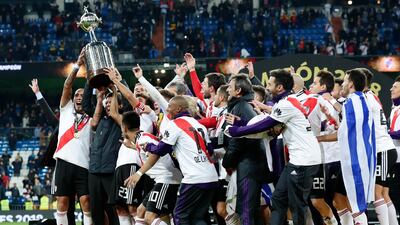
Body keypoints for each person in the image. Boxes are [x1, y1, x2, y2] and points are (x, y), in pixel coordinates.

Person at [226, 69, 321, 225]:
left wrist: (237, 131)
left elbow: (265, 125)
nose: (267, 87)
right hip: (299, 159)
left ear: (280, 87)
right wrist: (242, 124)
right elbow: (269, 127)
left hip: (304, 161)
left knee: (297, 205)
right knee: (278, 199)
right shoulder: (288, 101)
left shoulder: (285, 104)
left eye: (269, 84)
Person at [125, 96, 219, 225]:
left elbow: (161, 150)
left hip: (194, 178)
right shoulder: (198, 124)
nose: (167, 109)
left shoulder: (175, 124)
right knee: (197, 218)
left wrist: (148, 146)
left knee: (180, 216)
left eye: (169, 106)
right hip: (211, 176)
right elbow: (210, 150)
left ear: (178, 108)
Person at [82, 67, 131, 225]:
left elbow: (129, 100)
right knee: (96, 211)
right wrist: (90, 82)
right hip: (94, 170)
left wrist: (118, 81)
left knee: (114, 210)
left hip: (111, 171)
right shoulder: (101, 118)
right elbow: (85, 106)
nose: (108, 105)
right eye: (107, 103)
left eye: (112, 102)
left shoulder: (123, 120)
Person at [52, 50, 93, 225]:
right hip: (63, 161)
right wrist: (77, 65)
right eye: (76, 95)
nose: (78, 97)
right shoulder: (66, 109)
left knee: (86, 202)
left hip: (83, 164)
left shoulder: (91, 116)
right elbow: (67, 86)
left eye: (82, 95)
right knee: (62, 202)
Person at [29, 78, 77, 225]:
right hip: (61, 166)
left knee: (85, 202)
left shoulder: (85, 122)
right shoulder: (61, 125)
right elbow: (49, 114)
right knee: (64, 203)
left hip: (82, 167)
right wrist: (38, 94)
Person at [223, 74, 269, 225]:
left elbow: (243, 138)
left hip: (250, 163)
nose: (227, 89)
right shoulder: (241, 105)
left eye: (230, 87)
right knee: (249, 209)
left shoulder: (242, 106)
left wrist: (227, 160)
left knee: (246, 209)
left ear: (238, 91)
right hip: (249, 163)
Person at [361, 68, 398, 225]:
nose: (391, 89)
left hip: (383, 151)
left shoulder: (366, 98)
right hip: (387, 150)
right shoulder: (373, 97)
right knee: (384, 193)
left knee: (377, 194)